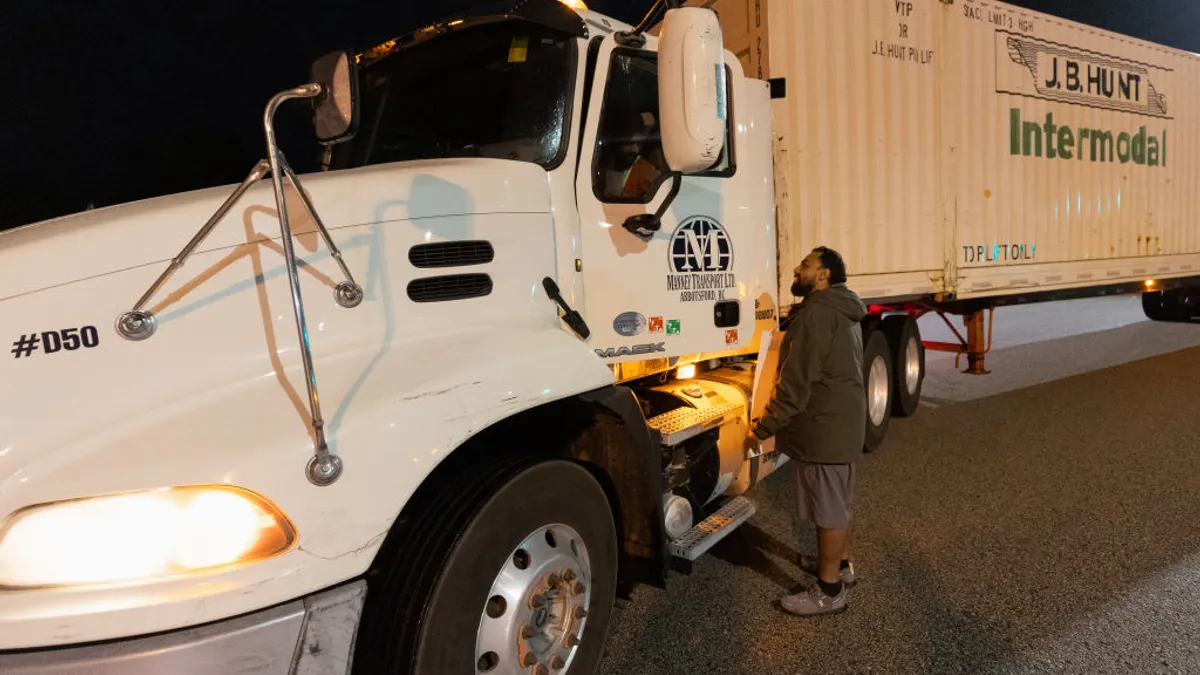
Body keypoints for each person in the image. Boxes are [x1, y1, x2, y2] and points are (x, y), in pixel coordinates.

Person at [747, 246, 868, 617]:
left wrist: (762, 428)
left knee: (829, 507)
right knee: (838, 502)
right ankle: (840, 567)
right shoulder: (841, 308)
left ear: (824, 275)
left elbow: (796, 384)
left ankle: (829, 591)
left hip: (825, 424)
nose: (797, 269)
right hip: (841, 421)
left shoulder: (816, 314)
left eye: (806, 265)